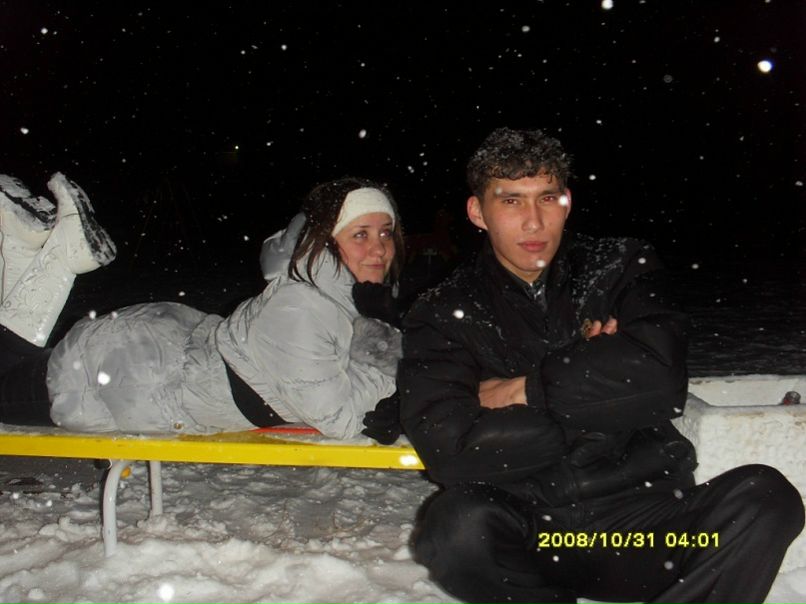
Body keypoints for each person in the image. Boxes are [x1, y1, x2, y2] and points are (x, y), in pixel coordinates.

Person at [398, 128, 804, 604]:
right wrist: (598, 396)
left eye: (547, 197)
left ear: (567, 200)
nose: (534, 221)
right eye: (510, 201)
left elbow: (661, 379)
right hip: (533, 536)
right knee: (456, 526)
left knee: (766, 496)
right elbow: (448, 449)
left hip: (643, 534)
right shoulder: (443, 309)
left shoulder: (617, 265)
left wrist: (525, 391)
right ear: (477, 212)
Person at [0, 173, 404, 440]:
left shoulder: (339, 299)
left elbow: (377, 377)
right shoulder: (299, 307)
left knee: (13, 361)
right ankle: (55, 253)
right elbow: (340, 418)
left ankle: (31, 249)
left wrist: (384, 351)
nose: (379, 248)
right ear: (324, 240)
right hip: (124, 378)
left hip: (153, 356)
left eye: (385, 233)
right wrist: (386, 355)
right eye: (360, 234)